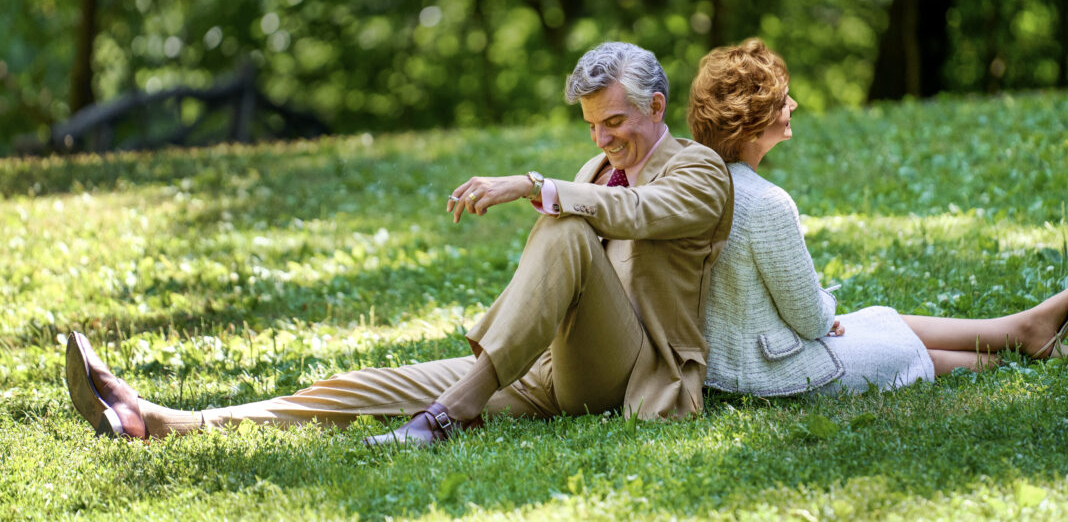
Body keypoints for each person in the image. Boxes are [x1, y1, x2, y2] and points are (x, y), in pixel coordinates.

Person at [66, 42, 733, 446]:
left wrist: (534, 184)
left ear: (657, 106)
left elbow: (641, 213)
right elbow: (594, 214)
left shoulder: (697, 169)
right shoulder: (594, 171)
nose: (601, 140)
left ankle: (451, 415)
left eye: (614, 121)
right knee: (367, 386)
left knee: (563, 224)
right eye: (590, 126)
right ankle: (159, 421)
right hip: (544, 370)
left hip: (627, 373)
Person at [685, 38, 1068, 397]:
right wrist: (826, 310)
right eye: (782, 100)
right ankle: (1014, 345)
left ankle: (1023, 330)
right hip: (771, 371)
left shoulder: (702, 184)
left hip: (728, 362)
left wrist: (824, 317)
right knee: (898, 347)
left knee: (881, 320)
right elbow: (810, 319)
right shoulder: (767, 203)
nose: (793, 105)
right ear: (752, 126)